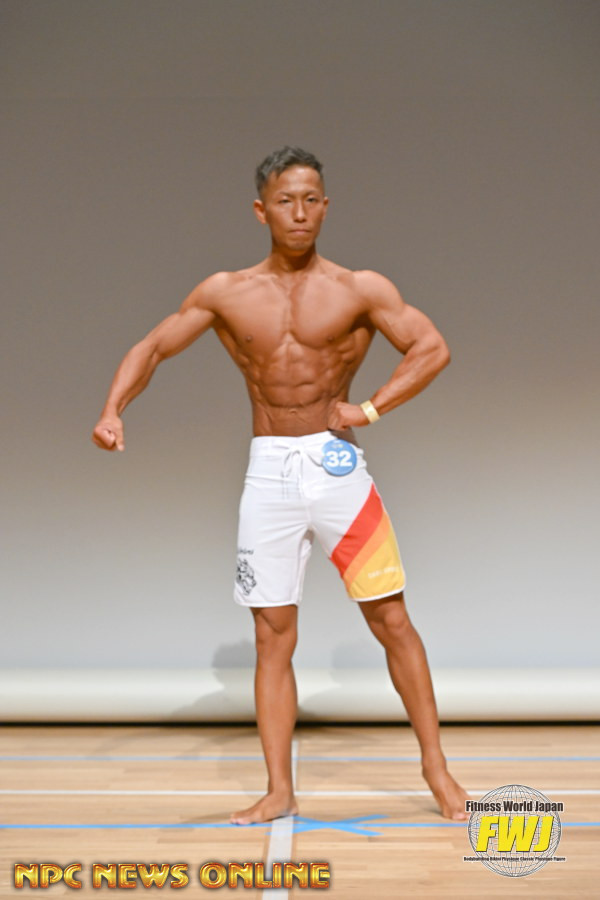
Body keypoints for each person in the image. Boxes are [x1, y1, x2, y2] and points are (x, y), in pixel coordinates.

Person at [92, 146, 469, 824]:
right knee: (272, 635)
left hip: (336, 466)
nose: (300, 212)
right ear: (260, 211)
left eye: (311, 199)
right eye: (286, 201)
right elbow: (153, 346)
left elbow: (431, 346)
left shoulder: (358, 288)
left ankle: (438, 772)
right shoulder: (226, 291)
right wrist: (113, 409)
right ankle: (278, 790)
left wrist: (369, 409)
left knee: (391, 619)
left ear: (326, 207)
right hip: (268, 470)